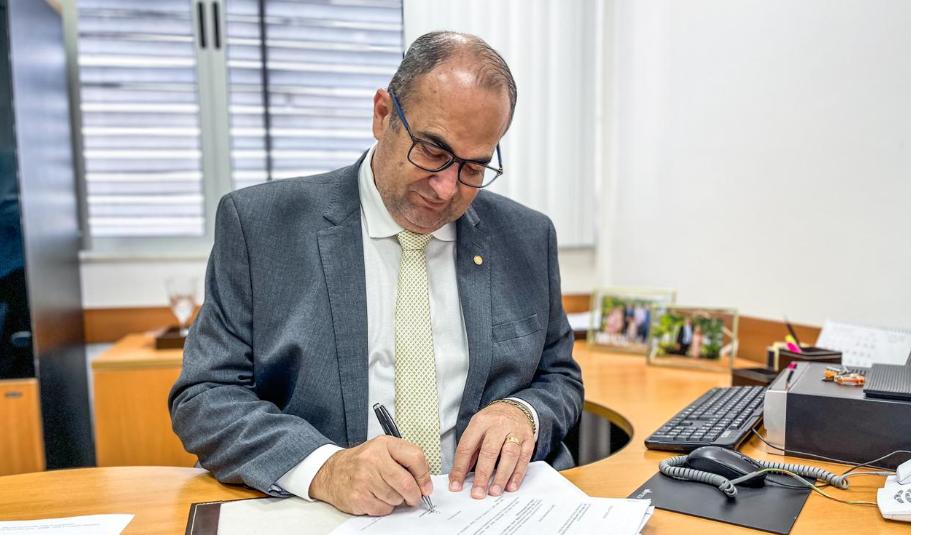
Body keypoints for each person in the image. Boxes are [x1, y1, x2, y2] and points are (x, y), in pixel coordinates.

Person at [168, 31, 583, 518]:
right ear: (383, 114)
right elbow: (206, 396)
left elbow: (559, 378)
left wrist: (524, 413)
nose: (446, 187)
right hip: (329, 516)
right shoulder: (262, 225)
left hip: (494, 511)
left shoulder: (527, 236)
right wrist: (324, 467)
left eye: (473, 167)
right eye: (432, 151)